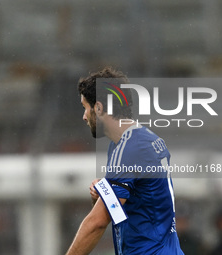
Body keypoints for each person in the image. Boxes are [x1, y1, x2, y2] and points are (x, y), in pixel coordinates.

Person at [65, 67, 184, 255]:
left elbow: (98, 223)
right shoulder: (139, 140)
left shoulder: (130, 148)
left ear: (99, 107)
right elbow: (118, 210)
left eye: (85, 108)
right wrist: (103, 194)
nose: (84, 116)